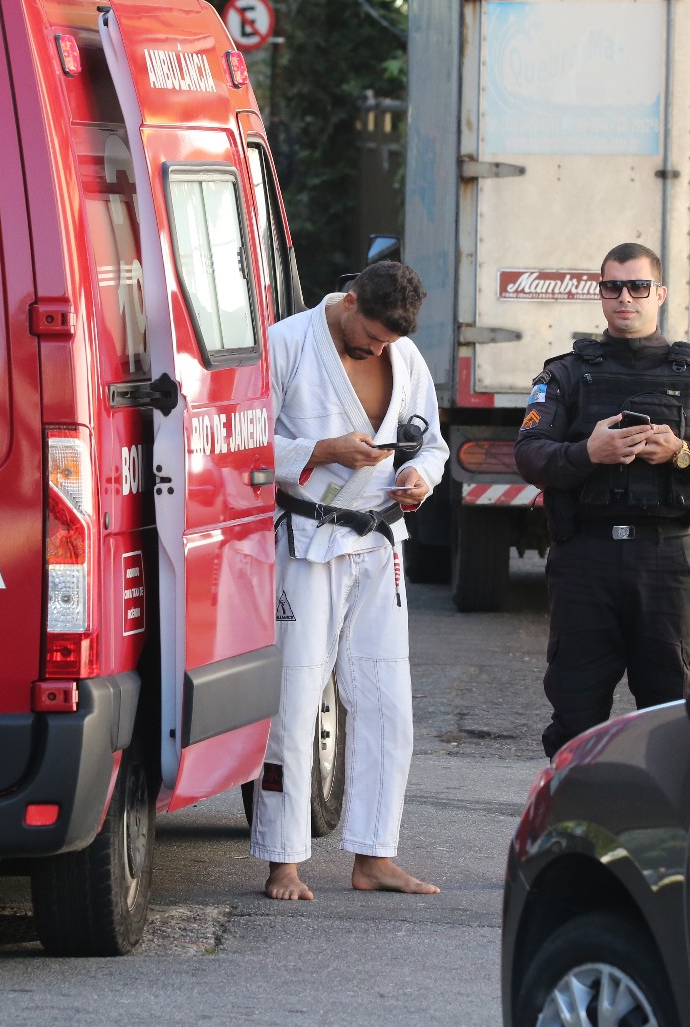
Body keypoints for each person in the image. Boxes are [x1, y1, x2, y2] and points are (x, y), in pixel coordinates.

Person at [250, 260, 447, 901]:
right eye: (373, 333)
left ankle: (374, 855)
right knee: (296, 699)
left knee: (389, 703)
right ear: (350, 299)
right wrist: (323, 450)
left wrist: (420, 480)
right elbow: (241, 447)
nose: (379, 348)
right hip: (307, 542)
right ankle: (283, 860)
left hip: (379, 539)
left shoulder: (406, 356)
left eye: (390, 341)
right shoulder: (285, 343)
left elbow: (434, 447)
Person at [514, 242, 690, 759]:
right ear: (600, 294)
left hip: (665, 559)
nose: (625, 298)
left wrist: (681, 454)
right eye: (613, 287)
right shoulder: (565, 374)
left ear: (659, 293)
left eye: (638, 286)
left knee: (668, 713)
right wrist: (588, 453)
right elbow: (528, 454)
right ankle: (570, 820)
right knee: (575, 711)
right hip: (584, 560)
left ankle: (660, 827)